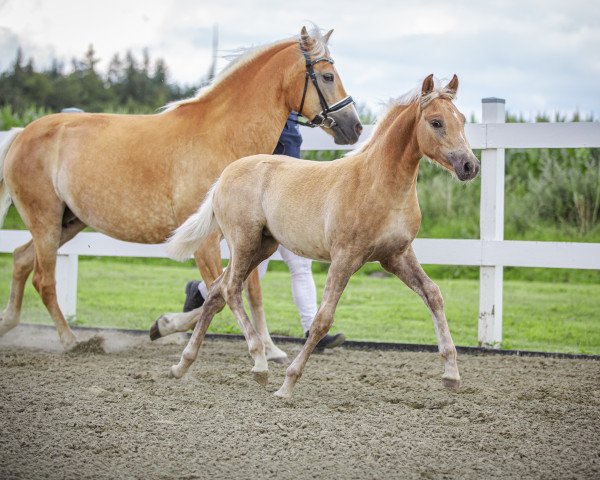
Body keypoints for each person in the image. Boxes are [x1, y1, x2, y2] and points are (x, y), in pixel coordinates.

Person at [183, 113, 346, 350]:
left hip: (290, 201)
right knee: (253, 268)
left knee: (300, 265)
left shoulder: (291, 120)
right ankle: (199, 291)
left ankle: (312, 330)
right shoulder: (263, 119)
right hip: (263, 203)